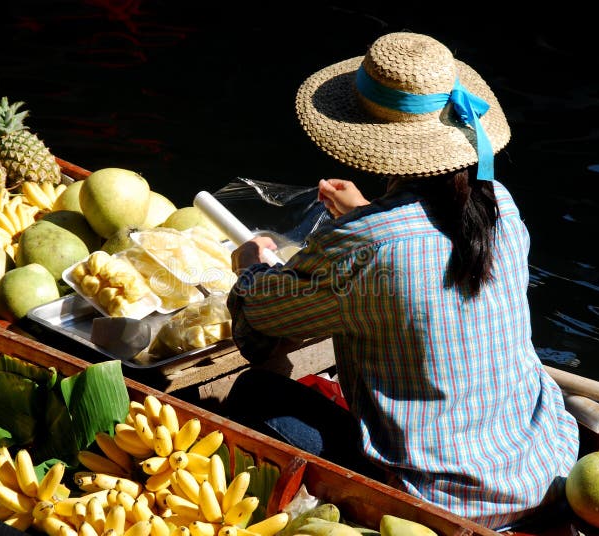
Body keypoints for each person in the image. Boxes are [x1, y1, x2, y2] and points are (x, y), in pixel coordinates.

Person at [224, 31, 579, 530]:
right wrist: (367, 214)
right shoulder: (499, 203)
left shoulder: (366, 243)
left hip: (443, 500)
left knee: (253, 393)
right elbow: (421, 257)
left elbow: (259, 329)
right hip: (548, 468)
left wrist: (253, 269)